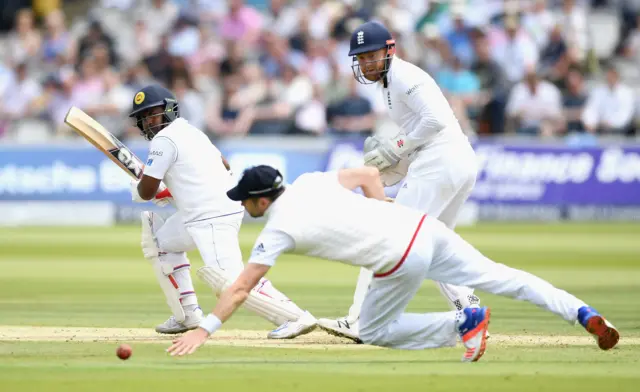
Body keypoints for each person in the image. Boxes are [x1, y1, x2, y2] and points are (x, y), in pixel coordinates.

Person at [166, 165, 619, 361]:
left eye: (246, 202)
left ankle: (462, 325)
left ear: (261, 199)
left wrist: (205, 328)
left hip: (398, 254)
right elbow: (366, 176)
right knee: (506, 277)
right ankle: (584, 313)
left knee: (375, 330)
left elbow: (242, 286)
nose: (244, 208)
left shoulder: (276, 230)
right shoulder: (308, 182)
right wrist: (384, 213)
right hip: (421, 226)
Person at [316, 20, 481, 342]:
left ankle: (359, 320)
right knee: (435, 246)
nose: (365, 63)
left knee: (384, 237)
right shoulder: (390, 83)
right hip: (454, 161)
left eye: (371, 55)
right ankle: (469, 310)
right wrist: (400, 161)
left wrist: (397, 147)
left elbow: (435, 120)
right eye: (360, 58)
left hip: (440, 160)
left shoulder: (404, 75)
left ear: (390, 50)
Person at [128, 85, 316, 338]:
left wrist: (139, 190)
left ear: (168, 110)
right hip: (206, 210)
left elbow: (147, 192)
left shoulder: (164, 140)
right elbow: (222, 163)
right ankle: (188, 315)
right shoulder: (190, 130)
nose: (149, 121)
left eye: (153, 114)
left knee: (231, 280)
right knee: (161, 243)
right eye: (144, 117)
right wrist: (170, 191)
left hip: (211, 215)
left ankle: (295, 317)